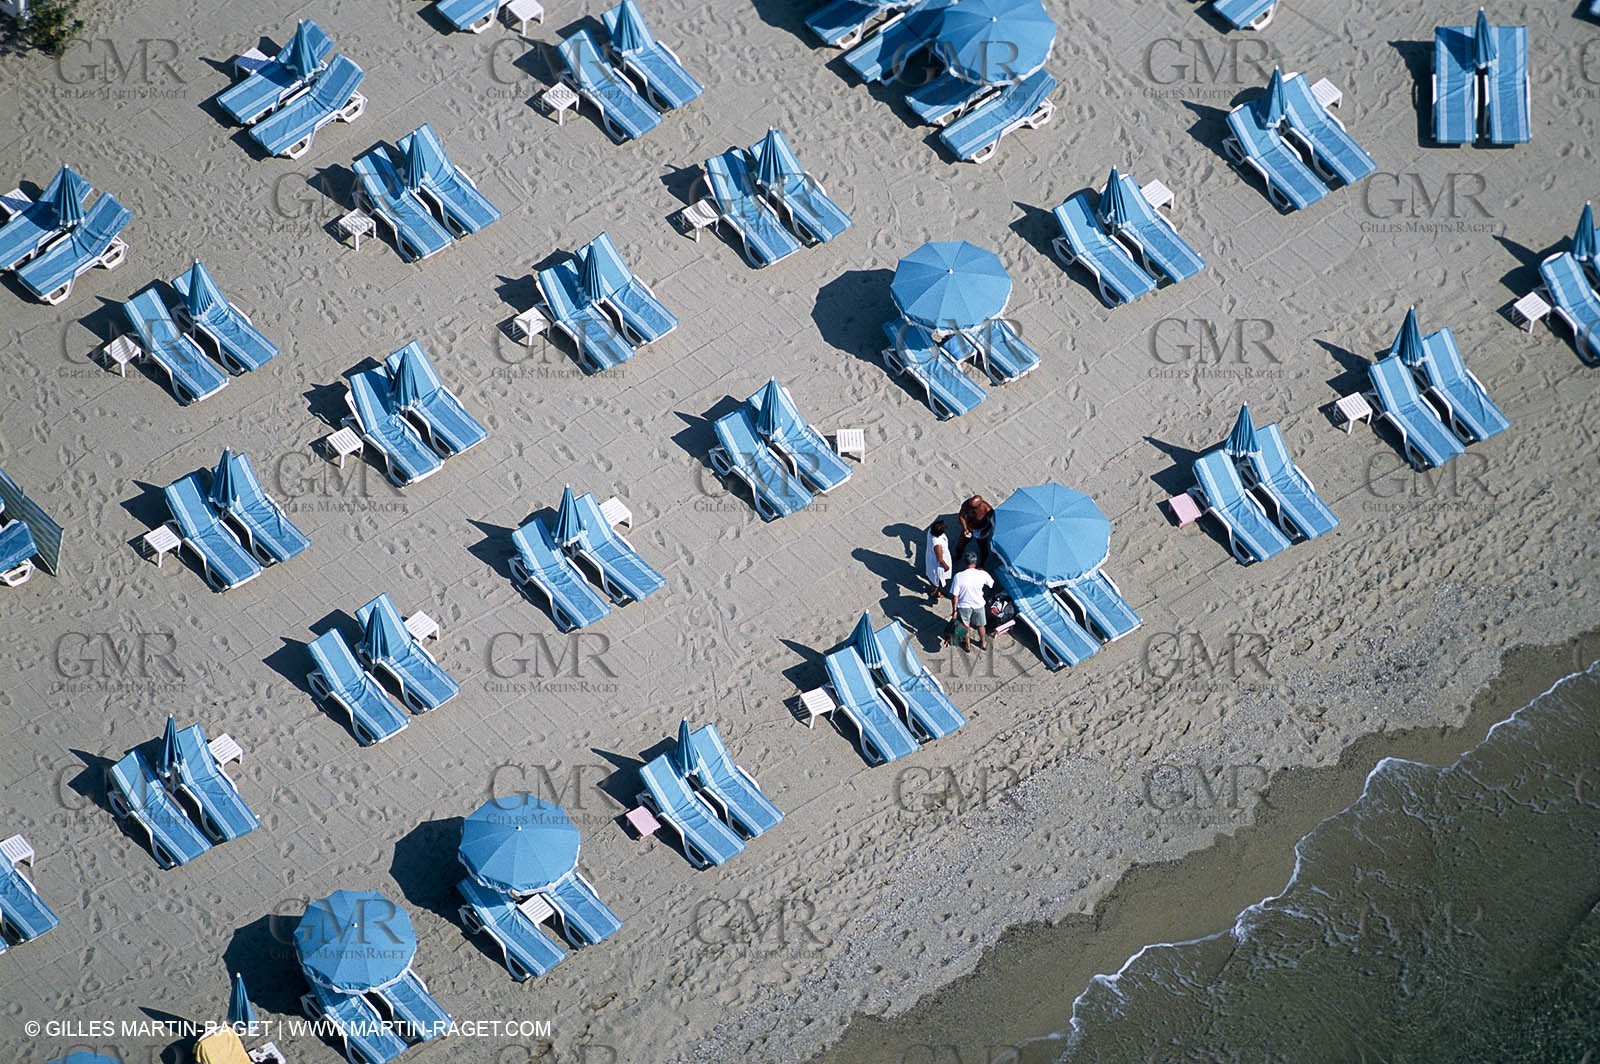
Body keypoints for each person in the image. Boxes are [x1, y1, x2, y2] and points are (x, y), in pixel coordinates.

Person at [950, 555, 994, 652]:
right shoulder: (982, 574)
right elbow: (991, 584)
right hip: (978, 604)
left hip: (964, 606)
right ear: (975, 562)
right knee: (981, 625)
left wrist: (954, 610)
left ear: (965, 563)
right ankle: (983, 643)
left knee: (965, 626)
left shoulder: (958, 576)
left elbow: (955, 596)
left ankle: (968, 645)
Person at [956, 495, 994, 564]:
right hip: (969, 528)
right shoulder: (967, 504)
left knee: (983, 548)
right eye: (970, 505)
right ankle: (958, 556)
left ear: (980, 504)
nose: (971, 508)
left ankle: (982, 563)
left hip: (981, 529)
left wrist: (985, 530)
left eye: (973, 507)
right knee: (960, 543)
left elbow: (993, 522)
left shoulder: (987, 509)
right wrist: (965, 528)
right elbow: (961, 516)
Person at [924, 519, 952, 603]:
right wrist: (946, 566)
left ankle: (936, 590)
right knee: (936, 580)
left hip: (930, 557)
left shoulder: (930, 531)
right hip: (937, 564)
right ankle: (935, 592)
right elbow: (940, 559)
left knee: (934, 578)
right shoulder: (937, 545)